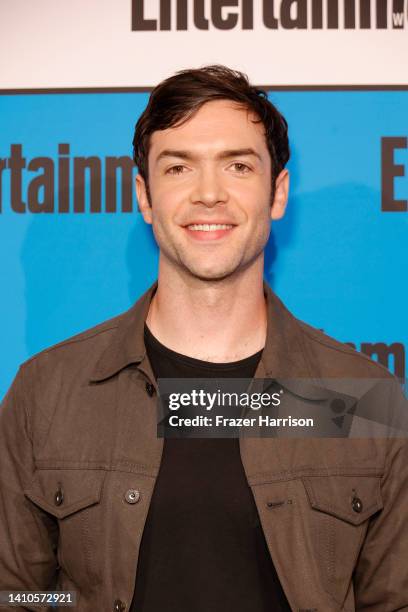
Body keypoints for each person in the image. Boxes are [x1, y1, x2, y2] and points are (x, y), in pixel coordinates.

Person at [0, 65, 407, 612]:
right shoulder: (47, 392)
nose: (209, 194)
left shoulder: (359, 396)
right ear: (145, 196)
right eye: (178, 167)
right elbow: (16, 596)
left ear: (277, 193)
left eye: (238, 165)